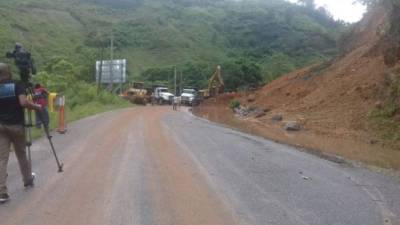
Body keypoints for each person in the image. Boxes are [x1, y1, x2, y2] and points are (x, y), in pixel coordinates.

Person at [0, 63, 41, 204]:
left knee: (2, 159)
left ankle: (2, 193)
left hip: (1, 127)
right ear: (9, 72)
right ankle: (28, 180)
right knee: (21, 154)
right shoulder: (17, 84)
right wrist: (36, 107)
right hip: (16, 126)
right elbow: (23, 102)